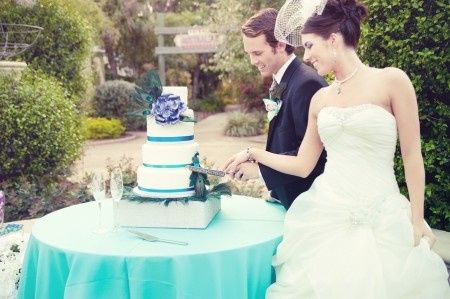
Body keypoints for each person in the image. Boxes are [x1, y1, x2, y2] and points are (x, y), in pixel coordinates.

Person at [224, 0, 450, 297]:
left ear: (332, 40)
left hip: (382, 211)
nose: (306, 56)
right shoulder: (321, 99)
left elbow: (411, 154)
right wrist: (254, 153)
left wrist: (417, 219)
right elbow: (304, 164)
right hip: (326, 213)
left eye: (309, 46)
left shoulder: (392, 81)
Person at [230, 8, 327, 210]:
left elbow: (314, 158)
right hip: (285, 199)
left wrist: (260, 171)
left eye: (257, 53)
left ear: (281, 44)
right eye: (249, 54)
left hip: (307, 203)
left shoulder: (307, 84)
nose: (252, 61)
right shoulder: (282, 80)